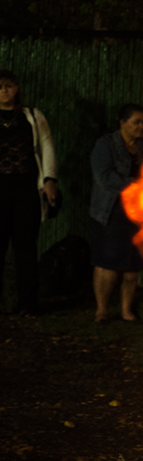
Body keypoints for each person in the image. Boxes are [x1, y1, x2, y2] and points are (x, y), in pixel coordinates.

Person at [0, 70, 59, 316]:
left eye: (9, 86)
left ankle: (28, 304)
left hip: (26, 190)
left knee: (25, 247)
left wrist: (49, 179)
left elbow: (46, 147)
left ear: (17, 88)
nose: (4, 90)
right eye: (0, 86)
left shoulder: (33, 117)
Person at [90, 103, 143, 323]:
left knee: (132, 266)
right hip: (111, 211)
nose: (141, 126)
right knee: (107, 264)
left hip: (138, 213)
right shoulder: (105, 144)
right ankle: (102, 310)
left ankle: (126, 310)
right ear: (122, 122)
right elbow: (104, 177)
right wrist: (135, 185)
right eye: (136, 122)